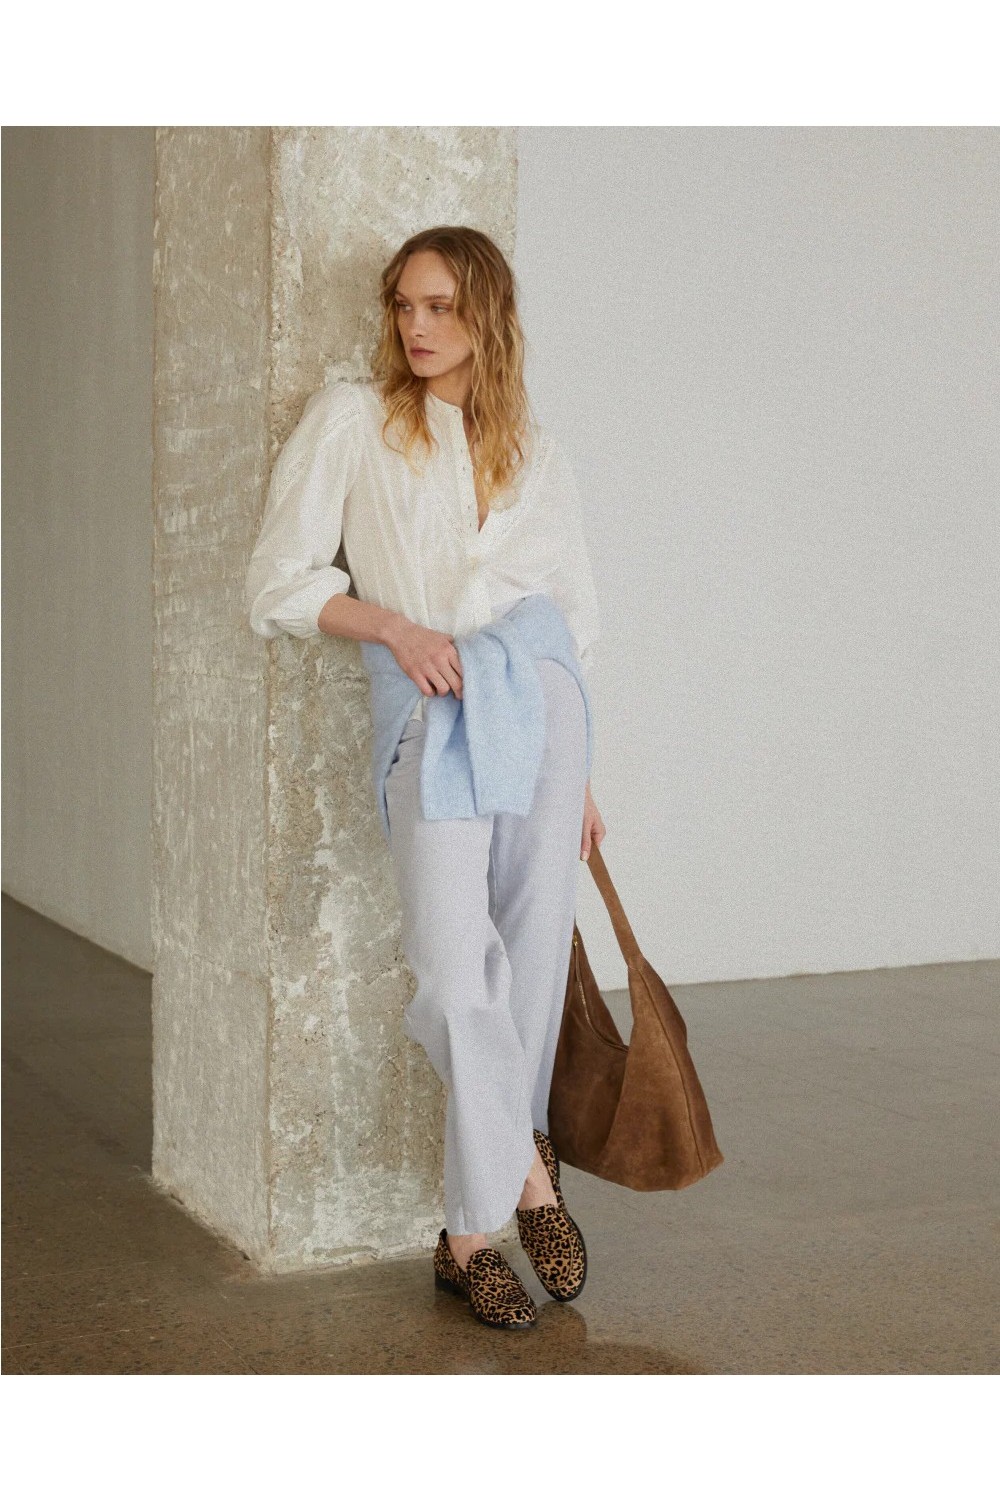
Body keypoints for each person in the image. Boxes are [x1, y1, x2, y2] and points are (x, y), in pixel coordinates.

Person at [245, 225, 606, 1330]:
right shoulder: (353, 420)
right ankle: (528, 1176)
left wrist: (586, 779)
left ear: (485, 314)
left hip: (540, 708)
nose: (416, 325)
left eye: (440, 306)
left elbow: (573, 616)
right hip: (433, 711)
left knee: (531, 964)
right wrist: (394, 628)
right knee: (456, 974)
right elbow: (276, 583)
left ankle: (465, 1239)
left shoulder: (533, 449)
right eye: (404, 304)